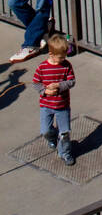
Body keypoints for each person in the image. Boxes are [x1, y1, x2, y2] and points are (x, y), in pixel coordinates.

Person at [32, 33, 76, 166]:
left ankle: (65, 153)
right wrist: (45, 91)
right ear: (51, 54)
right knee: (45, 130)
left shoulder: (66, 66)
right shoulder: (42, 67)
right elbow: (36, 83)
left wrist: (59, 85)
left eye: (64, 57)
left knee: (65, 133)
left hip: (62, 106)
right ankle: (51, 137)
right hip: (46, 105)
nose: (63, 60)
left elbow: (72, 82)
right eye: (60, 57)